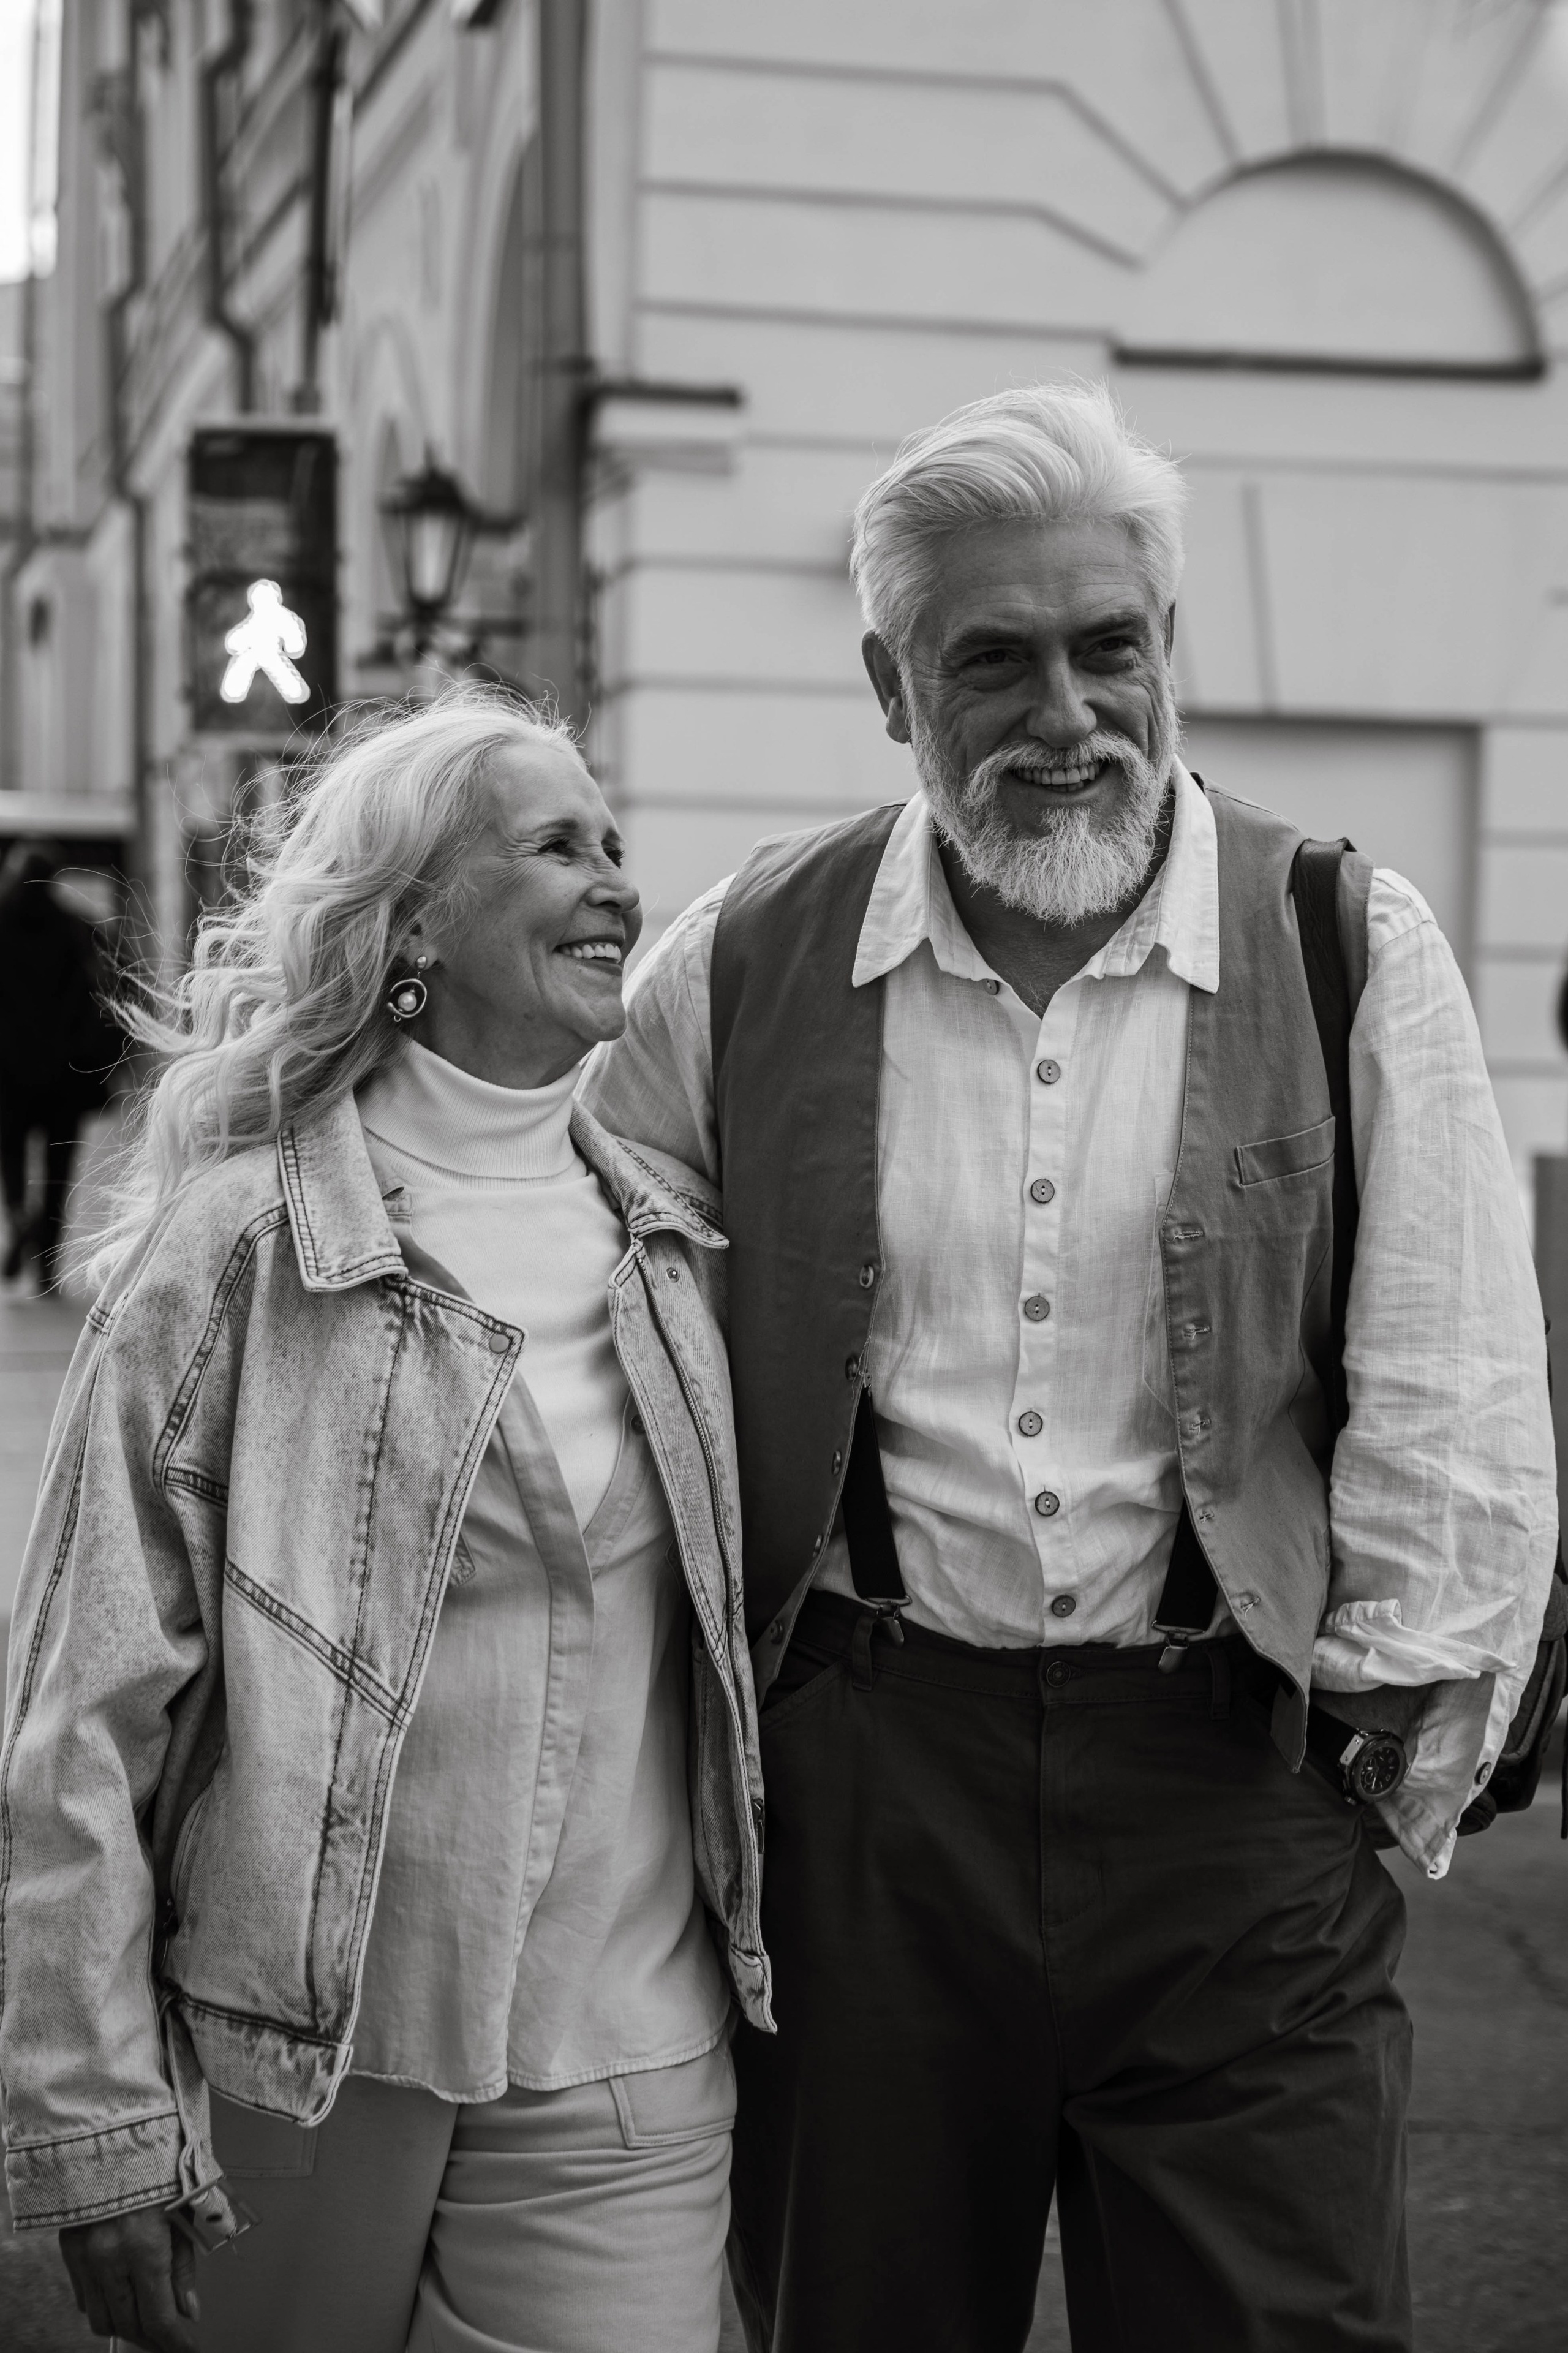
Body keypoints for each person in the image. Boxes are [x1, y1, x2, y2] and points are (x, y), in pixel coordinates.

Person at [582, 382, 1559, 2352]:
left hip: (1235, 1778)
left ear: (1166, 643)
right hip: (865, 1787)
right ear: (888, 683)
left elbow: (1451, 1364)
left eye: (1107, 644)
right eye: (990, 659)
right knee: (854, 2318)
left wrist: (1378, 1762)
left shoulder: (1346, 932)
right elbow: (585, 1277)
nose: (1064, 714)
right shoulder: (739, 955)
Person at [0, 692, 769, 2353]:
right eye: (558, 846)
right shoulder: (238, 1252)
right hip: (305, 2063)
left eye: (618, 844)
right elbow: (79, 1708)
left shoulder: (677, 1248)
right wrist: (93, 2113)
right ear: (413, 917)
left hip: (629, 2053)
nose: (617, 884)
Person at [0, 839, 120, 1291]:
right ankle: (46, 1262)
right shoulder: (78, 930)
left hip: (8, 1073)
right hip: (65, 1073)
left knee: (10, 1153)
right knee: (57, 1167)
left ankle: (17, 1213)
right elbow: (109, 994)